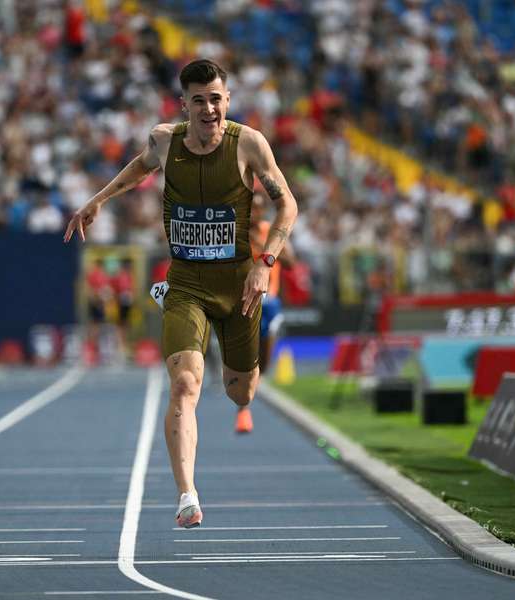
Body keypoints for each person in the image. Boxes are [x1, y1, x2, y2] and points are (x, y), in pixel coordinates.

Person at [64, 59, 298, 528]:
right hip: (187, 282)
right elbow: (138, 167)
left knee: (240, 392)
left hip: (239, 285)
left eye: (216, 98)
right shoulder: (165, 141)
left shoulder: (248, 144)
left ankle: (235, 367)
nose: (209, 108)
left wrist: (264, 263)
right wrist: (98, 200)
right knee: (186, 383)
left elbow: (286, 202)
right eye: (199, 100)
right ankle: (186, 494)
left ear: (227, 100)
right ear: (184, 104)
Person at [235, 190, 296, 434]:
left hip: (269, 301)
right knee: (247, 358)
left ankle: (250, 392)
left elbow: (291, 263)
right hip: (244, 301)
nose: (253, 213)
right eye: (250, 208)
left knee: (265, 362)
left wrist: (264, 246)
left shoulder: (270, 231)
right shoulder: (235, 233)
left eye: (258, 209)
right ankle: (243, 405)